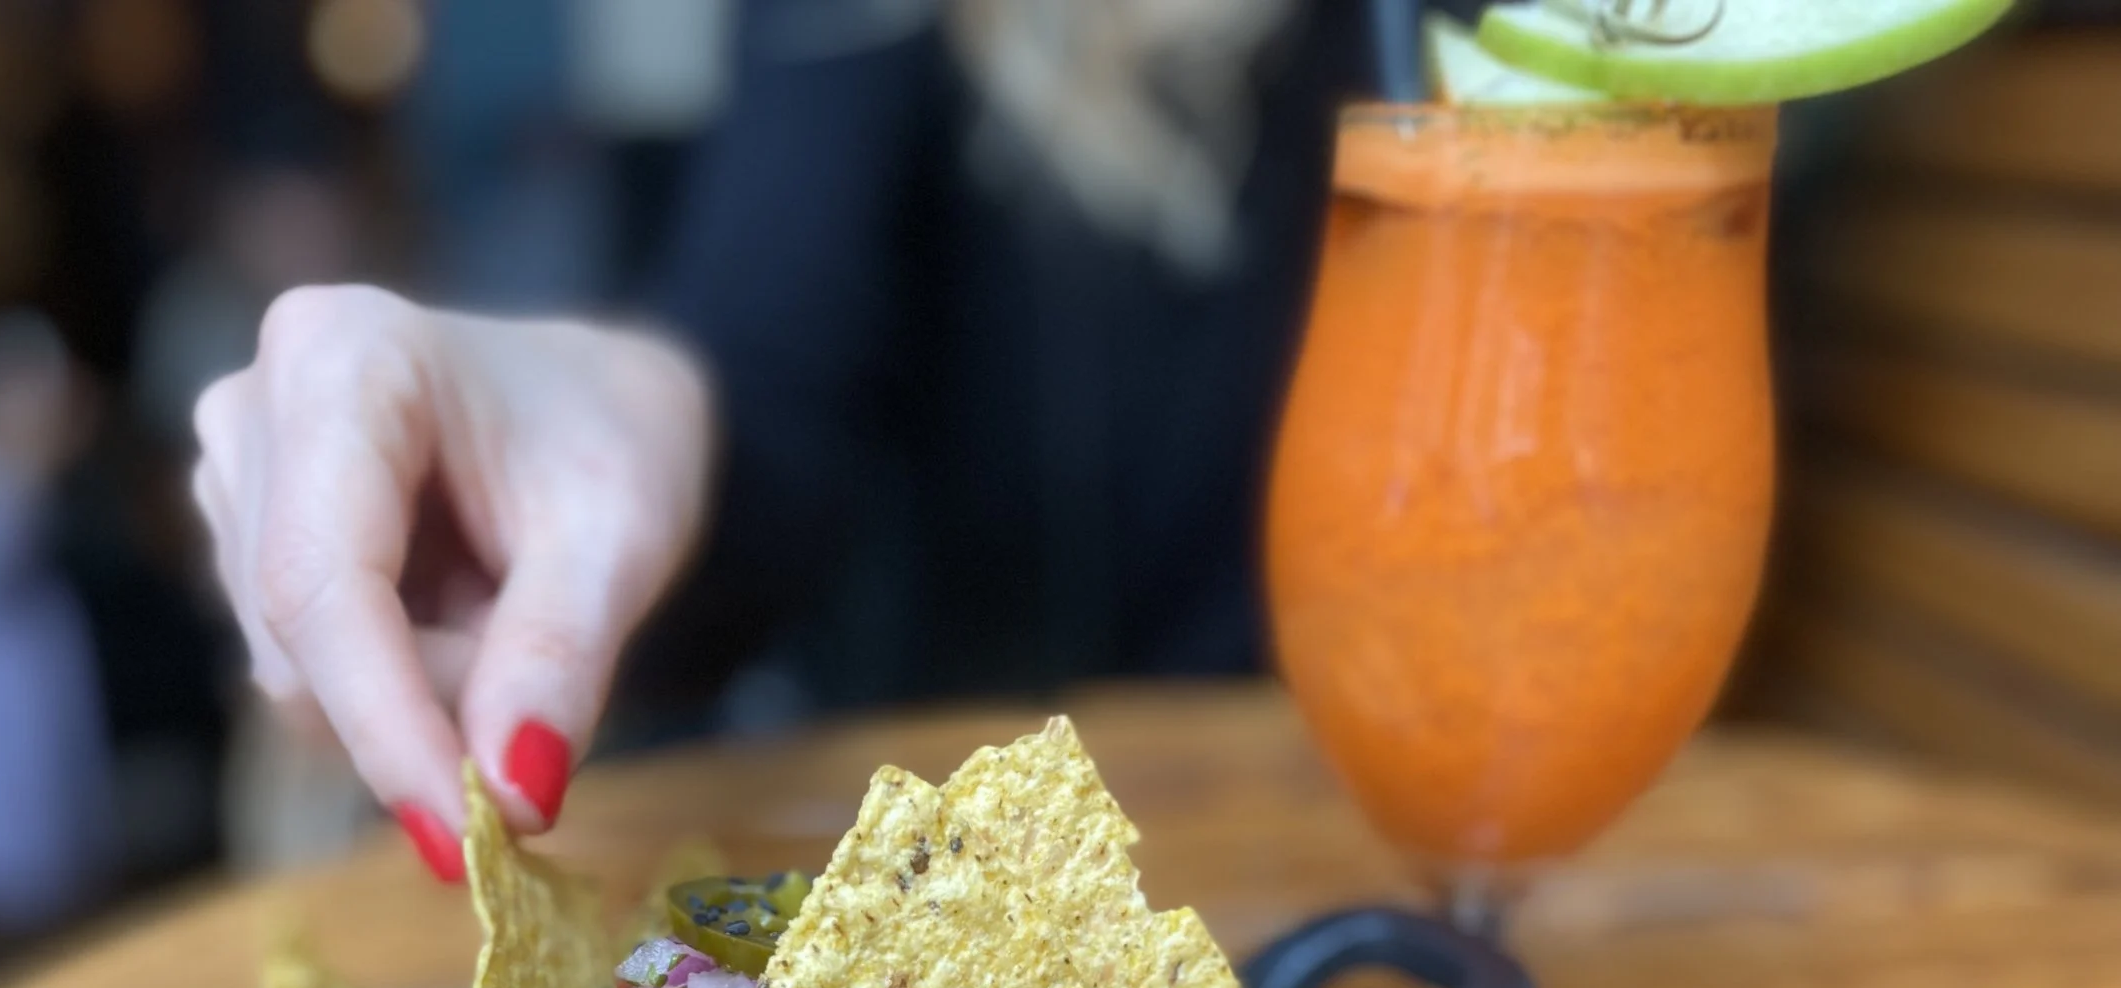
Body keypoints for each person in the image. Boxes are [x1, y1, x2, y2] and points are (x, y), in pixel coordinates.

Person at [190, 0, 1368, 880]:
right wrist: (622, 434)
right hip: (922, 874)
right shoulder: (867, 34)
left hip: (1355, 836)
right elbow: (770, 383)